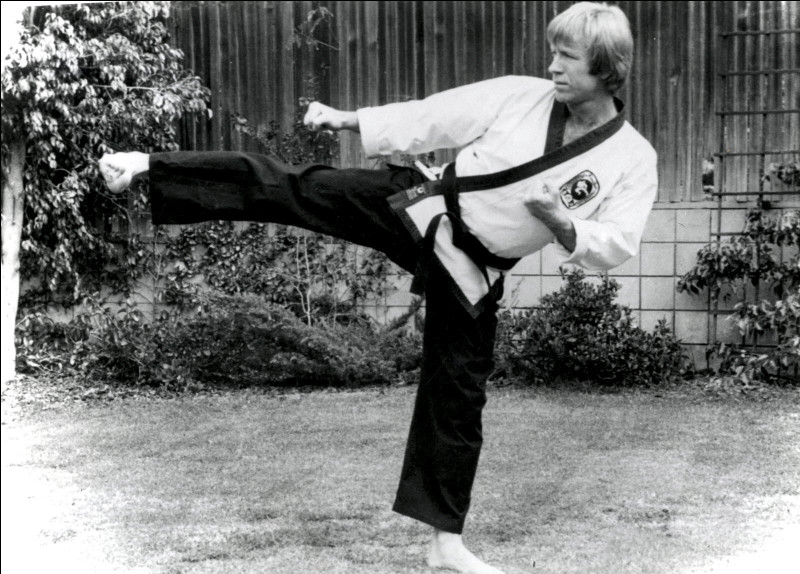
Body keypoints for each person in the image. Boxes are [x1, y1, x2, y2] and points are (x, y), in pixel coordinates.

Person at [99, 3, 656, 573]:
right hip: (423, 210)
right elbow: (435, 116)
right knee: (300, 187)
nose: (553, 66)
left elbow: (619, 241)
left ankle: (445, 546)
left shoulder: (633, 158)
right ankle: (149, 165)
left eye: (568, 57)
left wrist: (563, 224)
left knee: (459, 397)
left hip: (473, 269)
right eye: (554, 52)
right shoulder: (523, 95)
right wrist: (350, 120)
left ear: (606, 69)